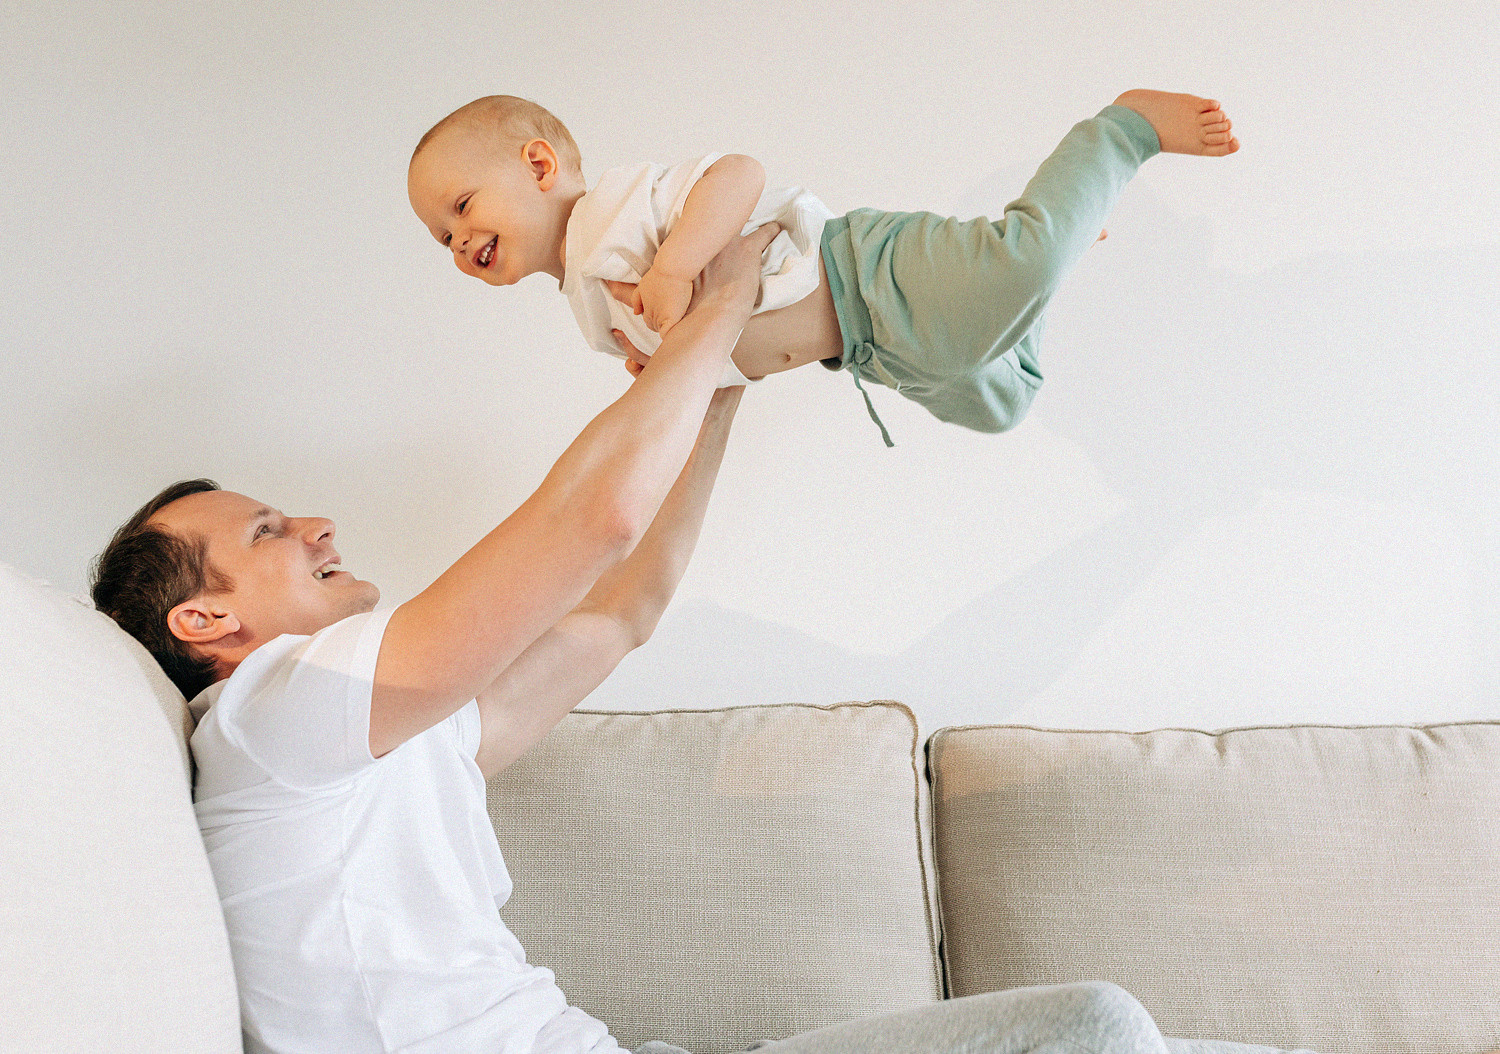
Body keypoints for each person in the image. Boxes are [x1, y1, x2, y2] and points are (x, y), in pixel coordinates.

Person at [90, 230, 1301, 1053]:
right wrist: (716, 302)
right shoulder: (272, 714)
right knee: (1090, 1030)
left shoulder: (378, 740)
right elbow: (595, 520)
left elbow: (624, 605)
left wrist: (720, 385)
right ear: (209, 623)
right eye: (267, 531)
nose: (315, 522)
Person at [407, 90, 1238, 447]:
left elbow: (738, 174)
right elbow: (699, 342)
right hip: (870, 349)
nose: (456, 241)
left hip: (866, 273)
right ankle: (1052, 258)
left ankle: (1123, 130)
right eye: (441, 239)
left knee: (1018, 265)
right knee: (1004, 403)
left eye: (461, 206)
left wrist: (676, 266)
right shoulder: (584, 295)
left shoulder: (609, 212)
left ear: (541, 166)